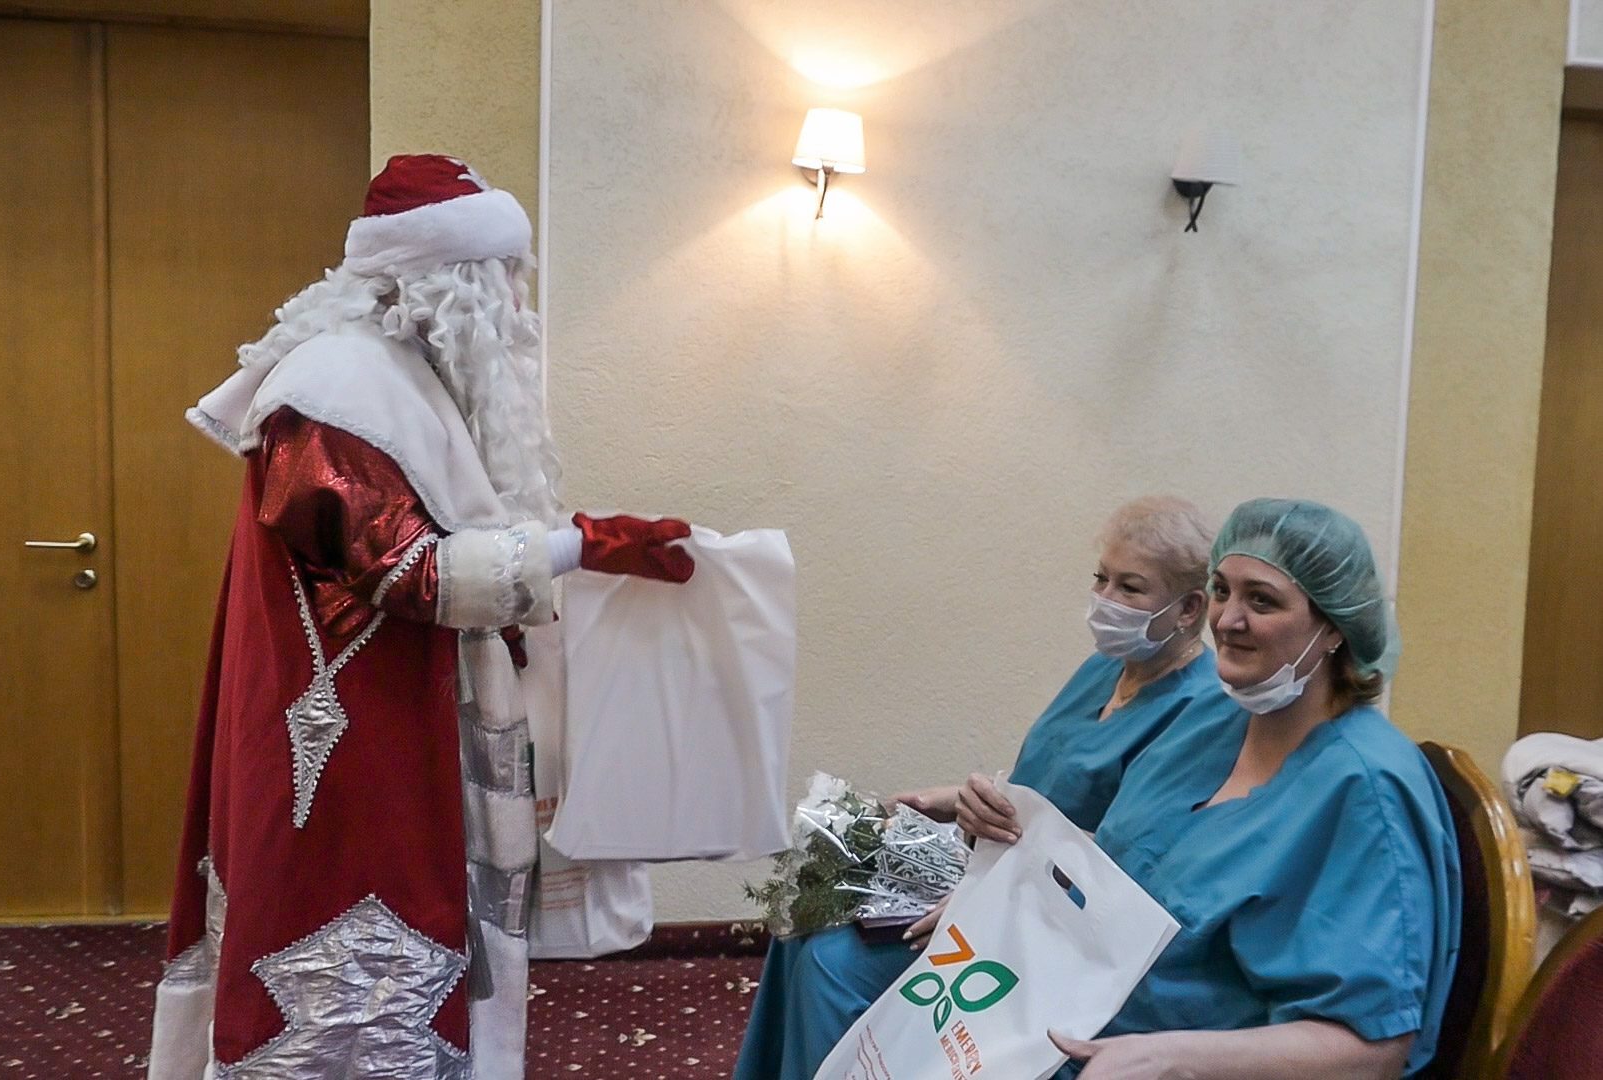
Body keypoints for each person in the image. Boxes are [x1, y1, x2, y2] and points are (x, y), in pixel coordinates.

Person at [145, 154, 695, 1080]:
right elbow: (409, 572)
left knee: (413, 954)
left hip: (396, 717)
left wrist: (578, 544)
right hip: (350, 746)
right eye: (504, 278)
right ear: (451, 280)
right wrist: (582, 545)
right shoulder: (336, 392)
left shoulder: (392, 375)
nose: (517, 306)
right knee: (351, 973)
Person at [733, 495, 1221, 1080]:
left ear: (1189, 607)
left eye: (1131, 588)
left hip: (1051, 927)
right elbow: (1047, 783)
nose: (1105, 599)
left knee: (832, 965)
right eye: (1101, 578)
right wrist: (961, 799)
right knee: (805, 923)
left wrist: (985, 902)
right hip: (993, 880)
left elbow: (1136, 859)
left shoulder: (1202, 709)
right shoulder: (1105, 668)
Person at [1052, 498, 1461, 1080]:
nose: (1226, 620)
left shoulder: (1365, 788)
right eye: (1221, 591)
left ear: (1334, 626)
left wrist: (1165, 1057)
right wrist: (1014, 888)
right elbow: (1132, 860)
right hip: (1072, 1017)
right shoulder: (1209, 719)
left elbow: (1371, 1050)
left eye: (1262, 600)